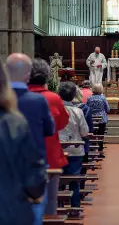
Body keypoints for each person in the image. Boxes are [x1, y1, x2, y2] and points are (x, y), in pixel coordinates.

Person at [6, 53, 55, 225]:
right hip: (30, 169)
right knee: (33, 215)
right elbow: (50, 129)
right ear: (28, 75)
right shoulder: (37, 101)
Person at [28, 58, 69, 215]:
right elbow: (61, 123)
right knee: (50, 202)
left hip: (20, 158)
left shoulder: (13, 97)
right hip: (49, 155)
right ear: (46, 76)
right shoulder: (53, 98)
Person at [58, 82, 89, 215]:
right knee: (74, 179)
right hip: (75, 149)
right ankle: (75, 208)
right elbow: (84, 132)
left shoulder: (55, 110)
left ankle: (58, 206)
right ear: (73, 96)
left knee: (58, 179)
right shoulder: (78, 111)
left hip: (59, 150)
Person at [86, 84, 110, 154]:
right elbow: (108, 109)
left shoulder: (89, 98)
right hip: (102, 119)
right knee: (101, 134)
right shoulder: (103, 98)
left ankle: (92, 149)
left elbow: (87, 108)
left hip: (92, 119)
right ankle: (100, 149)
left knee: (92, 134)